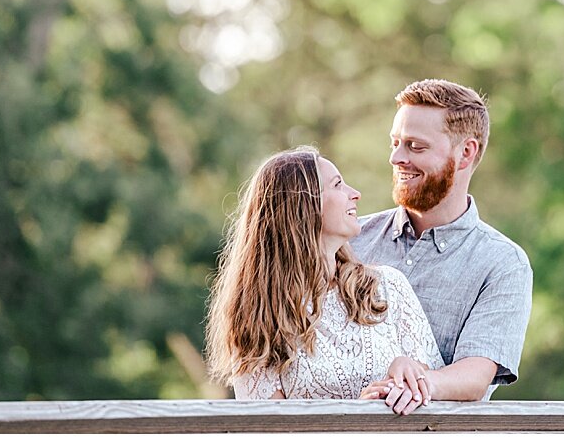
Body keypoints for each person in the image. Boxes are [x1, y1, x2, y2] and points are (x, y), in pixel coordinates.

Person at [205, 146, 443, 413]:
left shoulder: (387, 287)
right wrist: (356, 417)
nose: (355, 194)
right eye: (338, 184)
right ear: (303, 207)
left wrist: (409, 372)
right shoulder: (257, 318)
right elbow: (268, 434)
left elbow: (438, 404)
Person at [351, 79, 534, 413]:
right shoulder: (350, 239)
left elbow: (476, 375)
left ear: (466, 153)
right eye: (395, 143)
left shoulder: (503, 263)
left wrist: (413, 384)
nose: (396, 158)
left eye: (415, 147)